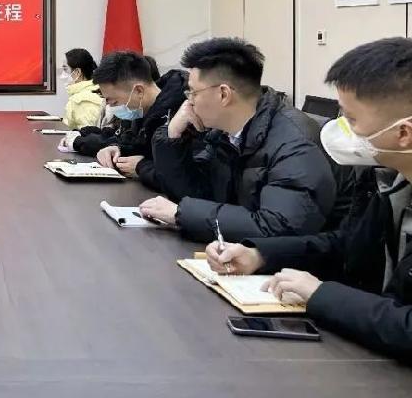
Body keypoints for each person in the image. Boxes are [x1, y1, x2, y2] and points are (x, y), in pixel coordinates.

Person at [205, 38, 412, 362]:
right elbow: (346, 245)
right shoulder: (386, 179)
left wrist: (320, 294)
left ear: (403, 134)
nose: (338, 129)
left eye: (351, 120)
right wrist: (260, 255)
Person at [140, 37, 337, 241]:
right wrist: (172, 135)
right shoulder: (225, 134)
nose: (188, 103)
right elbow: (197, 192)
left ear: (223, 94)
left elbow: (278, 227)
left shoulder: (294, 142)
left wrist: (181, 214)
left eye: (193, 93)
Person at [60, 51, 187, 184]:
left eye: (114, 102)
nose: (110, 107)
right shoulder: (140, 110)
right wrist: (116, 148)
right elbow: (135, 145)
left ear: (138, 91)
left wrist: (142, 167)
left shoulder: (181, 112)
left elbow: (185, 179)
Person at [60, 48, 104, 130]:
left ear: (77, 72)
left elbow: (88, 134)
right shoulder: (96, 89)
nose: (62, 76)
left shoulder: (82, 100)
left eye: (65, 69)